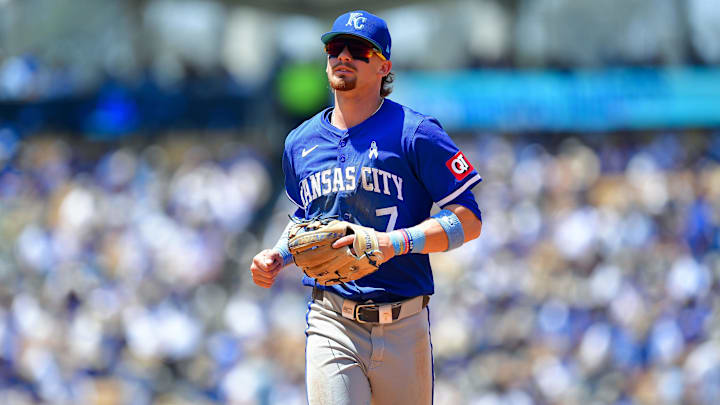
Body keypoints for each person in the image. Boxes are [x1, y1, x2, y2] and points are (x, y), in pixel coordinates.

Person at [250, 10, 483, 405]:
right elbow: (308, 222)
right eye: (334, 48)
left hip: (404, 323)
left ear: (384, 66)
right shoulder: (299, 143)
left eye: (358, 49)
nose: (343, 56)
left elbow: (469, 220)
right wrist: (279, 255)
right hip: (331, 319)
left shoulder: (417, 133)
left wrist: (396, 242)